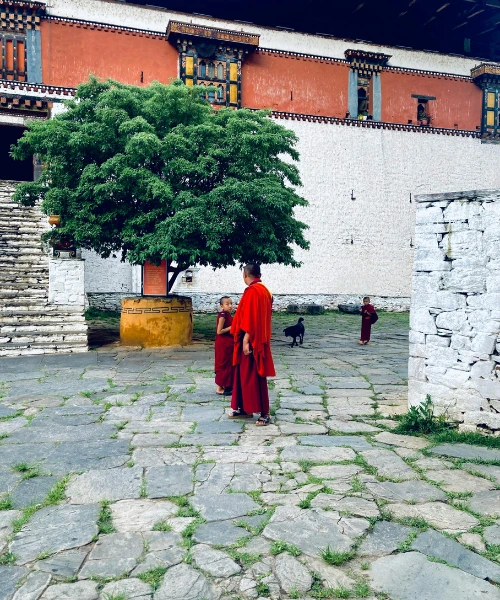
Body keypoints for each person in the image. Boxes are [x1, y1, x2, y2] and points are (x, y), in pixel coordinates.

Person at [229, 264, 275, 425]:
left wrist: (246, 340)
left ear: (245, 275)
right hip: (259, 337)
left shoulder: (253, 291)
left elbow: (251, 318)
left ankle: (265, 413)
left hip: (251, 339)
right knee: (244, 374)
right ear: (259, 275)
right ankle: (244, 408)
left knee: (255, 375)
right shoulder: (265, 291)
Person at [214, 296, 234, 395]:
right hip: (223, 344)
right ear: (222, 306)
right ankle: (219, 388)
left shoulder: (228, 315)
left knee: (228, 364)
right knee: (223, 364)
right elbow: (219, 331)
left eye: (231, 303)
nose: (230, 306)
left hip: (229, 343)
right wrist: (232, 327)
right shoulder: (222, 315)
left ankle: (227, 385)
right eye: (227, 304)